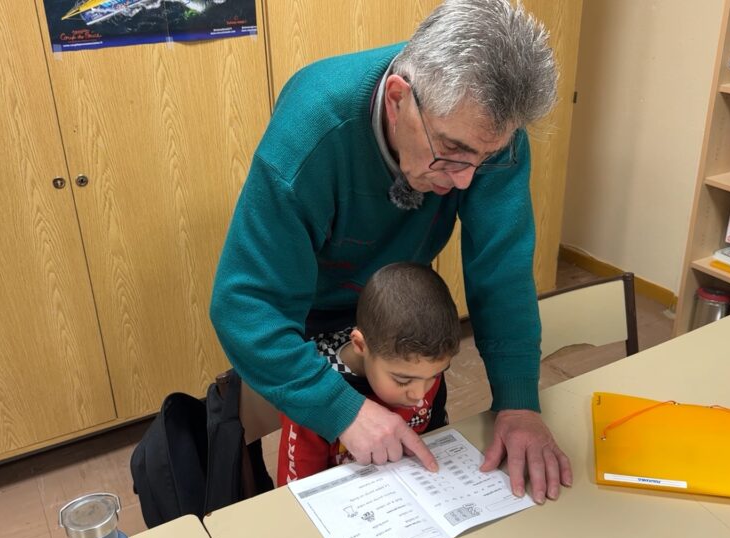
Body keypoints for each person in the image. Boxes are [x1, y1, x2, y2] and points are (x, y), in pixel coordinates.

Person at [210, 0, 572, 503]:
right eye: (452, 153)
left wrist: (519, 402)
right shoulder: (311, 131)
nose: (467, 179)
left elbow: (502, 274)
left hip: (393, 307)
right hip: (307, 325)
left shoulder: (483, 133)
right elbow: (244, 307)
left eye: (484, 160)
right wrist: (342, 409)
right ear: (398, 99)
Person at [277, 262, 460, 486]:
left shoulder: (423, 370)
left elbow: (436, 439)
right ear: (361, 346)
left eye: (435, 375)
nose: (420, 395)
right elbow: (298, 489)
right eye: (402, 380)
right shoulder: (314, 397)